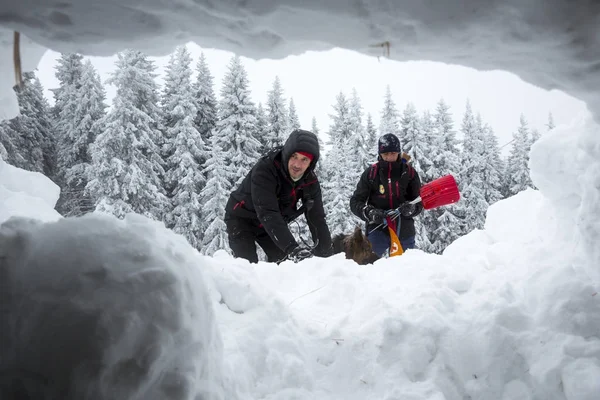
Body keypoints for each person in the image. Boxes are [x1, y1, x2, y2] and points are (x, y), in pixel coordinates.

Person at [224, 129, 333, 263]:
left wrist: (327, 255)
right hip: (241, 218)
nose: (298, 165)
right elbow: (267, 212)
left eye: (304, 159)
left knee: (284, 265)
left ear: (311, 163)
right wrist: (293, 248)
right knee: (247, 266)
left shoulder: (310, 181)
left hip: (269, 225)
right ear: (287, 154)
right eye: (294, 156)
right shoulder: (265, 170)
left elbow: (317, 218)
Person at [349, 133, 422, 257]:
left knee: (407, 269)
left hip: (404, 229)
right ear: (380, 154)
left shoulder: (409, 173)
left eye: (393, 153)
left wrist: (411, 208)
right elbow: (355, 202)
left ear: (399, 153)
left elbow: (419, 201)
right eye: (385, 154)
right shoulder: (371, 174)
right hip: (377, 229)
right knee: (369, 266)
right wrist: (370, 213)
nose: (389, 157)